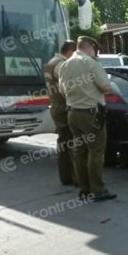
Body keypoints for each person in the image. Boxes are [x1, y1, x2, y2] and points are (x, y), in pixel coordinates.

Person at [56, 36, 116, 202]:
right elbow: (106, 86)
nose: (95, 53)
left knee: (79, 152)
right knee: (96, 152)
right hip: (91, 114)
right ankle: (98, 190)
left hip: (73, 113)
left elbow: (61, 90)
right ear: (90, 48)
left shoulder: (64, 65)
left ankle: (84, 189)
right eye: (95, 50)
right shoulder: (90, 63)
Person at [43, 40, 77, 186]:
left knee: (63, 142)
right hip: (64, 107)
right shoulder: (62, 65)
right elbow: (66, 87)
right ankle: (76, 178)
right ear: (70, 51)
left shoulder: (51, 62)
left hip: (55, 107)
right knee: (72, 143)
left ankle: (65, 177)